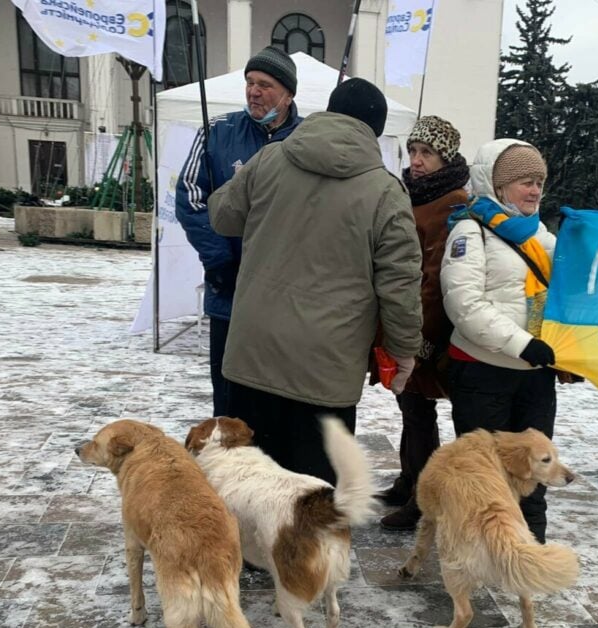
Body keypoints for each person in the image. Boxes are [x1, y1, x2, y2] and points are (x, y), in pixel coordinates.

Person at [206, 78, 422, 484]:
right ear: (375, 130)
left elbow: (222, 217)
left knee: (249, 486)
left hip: (254, 353)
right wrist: (404, 352)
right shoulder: (385, 192)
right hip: (327, 367)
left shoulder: (269, 159)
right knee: (312, 498)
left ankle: (247, 551)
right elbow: (401, 285)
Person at [440, 139, 559, 544]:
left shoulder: (543, 238)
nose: (534, 190)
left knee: (534, 467)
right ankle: (481, 547)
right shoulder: (470, 232)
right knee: (483, 472)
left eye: (539, 181)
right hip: (482, 373)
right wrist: (522, 344)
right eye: (524, 181)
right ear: (496, 185)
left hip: (535, 376)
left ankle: (530, 545)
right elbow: (464, 305)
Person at [175, 46, 303, 418]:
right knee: (230, 400)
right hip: (229, 292)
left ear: (288, 93)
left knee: (278, 402)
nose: (254, 91)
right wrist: (219, 259)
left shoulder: (309, 139)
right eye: (249, 83)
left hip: (287, 300)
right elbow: (191, 197)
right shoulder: (217, 132)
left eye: (265, 84)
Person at [377, 116, 470, 531]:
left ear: (444, 157)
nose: (416, 161)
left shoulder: (452, 203)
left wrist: (420, 337)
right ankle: (407, 480)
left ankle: (421, 498)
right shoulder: (411, 194)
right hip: (406, 319)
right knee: (409, 408)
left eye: (426, 153)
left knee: (419, 412)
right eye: (413, 151)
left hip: (426, 328)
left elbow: (434, 277)